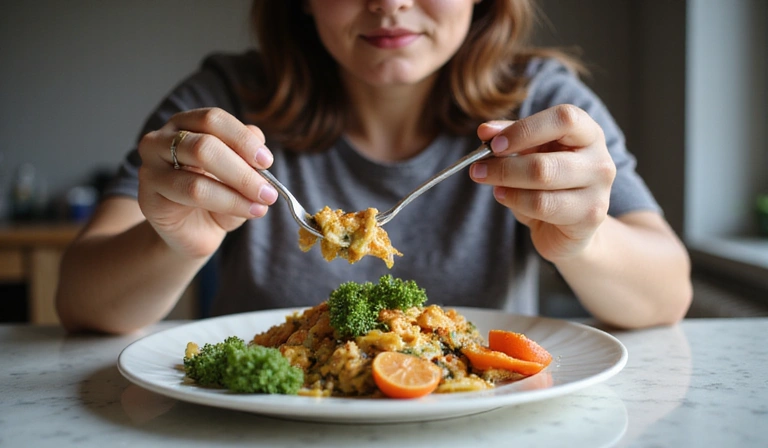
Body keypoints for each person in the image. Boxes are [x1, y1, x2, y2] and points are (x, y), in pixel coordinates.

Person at [56, 0, 692, 334]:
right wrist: (171, 243)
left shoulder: (542, 107)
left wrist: (584, 241)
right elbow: (81, 304)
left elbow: (668, 296)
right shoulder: (227, 99)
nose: (390, 3)